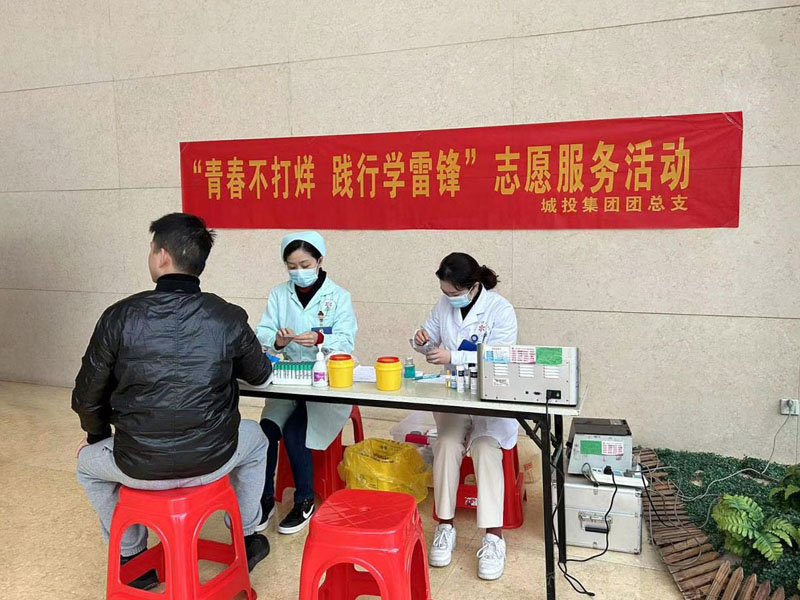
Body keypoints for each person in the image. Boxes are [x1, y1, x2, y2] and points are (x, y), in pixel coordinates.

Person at [73, 213, 272, 590]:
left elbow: (86, 396)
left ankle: (133, 557)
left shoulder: (119, 316)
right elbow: (261, 374)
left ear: (162, 255)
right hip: (214, 457)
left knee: (87, 464)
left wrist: (98, 437)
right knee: (258, 439)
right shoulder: (227, 316)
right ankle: (246, 537)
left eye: (151, 250)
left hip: (138, 462)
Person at [412, 252, 518, 581]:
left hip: (491, 398)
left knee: (485, 449)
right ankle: (445, 526)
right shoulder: (443, 305)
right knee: (445, 444)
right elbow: (428, 339)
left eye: (454, 293)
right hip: (455, 396)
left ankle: (494, 537)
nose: (449, 298)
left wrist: (453, 356)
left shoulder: (500, 310)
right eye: (444, 292)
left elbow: (499, 357)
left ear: (472, 287)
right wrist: (421, 340)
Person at [255, 231, 357, 535]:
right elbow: (262, 333)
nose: (298, 272)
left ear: (319, 261)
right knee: (266, 431)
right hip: (289, 379)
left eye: (305, 265)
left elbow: (347, 341)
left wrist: (321, 338)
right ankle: (264, 499)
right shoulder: (278, 294)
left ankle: (304, 500)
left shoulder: (339, 297)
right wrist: (278, 340)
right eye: (292, 266)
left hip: (325, 383)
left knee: (295, 432)